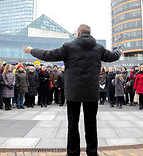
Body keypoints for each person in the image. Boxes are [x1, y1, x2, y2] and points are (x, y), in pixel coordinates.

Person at [23, 24, 121, 156]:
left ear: (78, 34)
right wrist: (119, 51)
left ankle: (73, 153)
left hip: (73, 93)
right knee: (91, 124)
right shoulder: (98, 48)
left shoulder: (68, 47)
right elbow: (113, 56)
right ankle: (92, 152)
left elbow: (48, 55)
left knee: (73, 124)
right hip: (91, 93)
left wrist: (32, 50)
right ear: (89, 33)